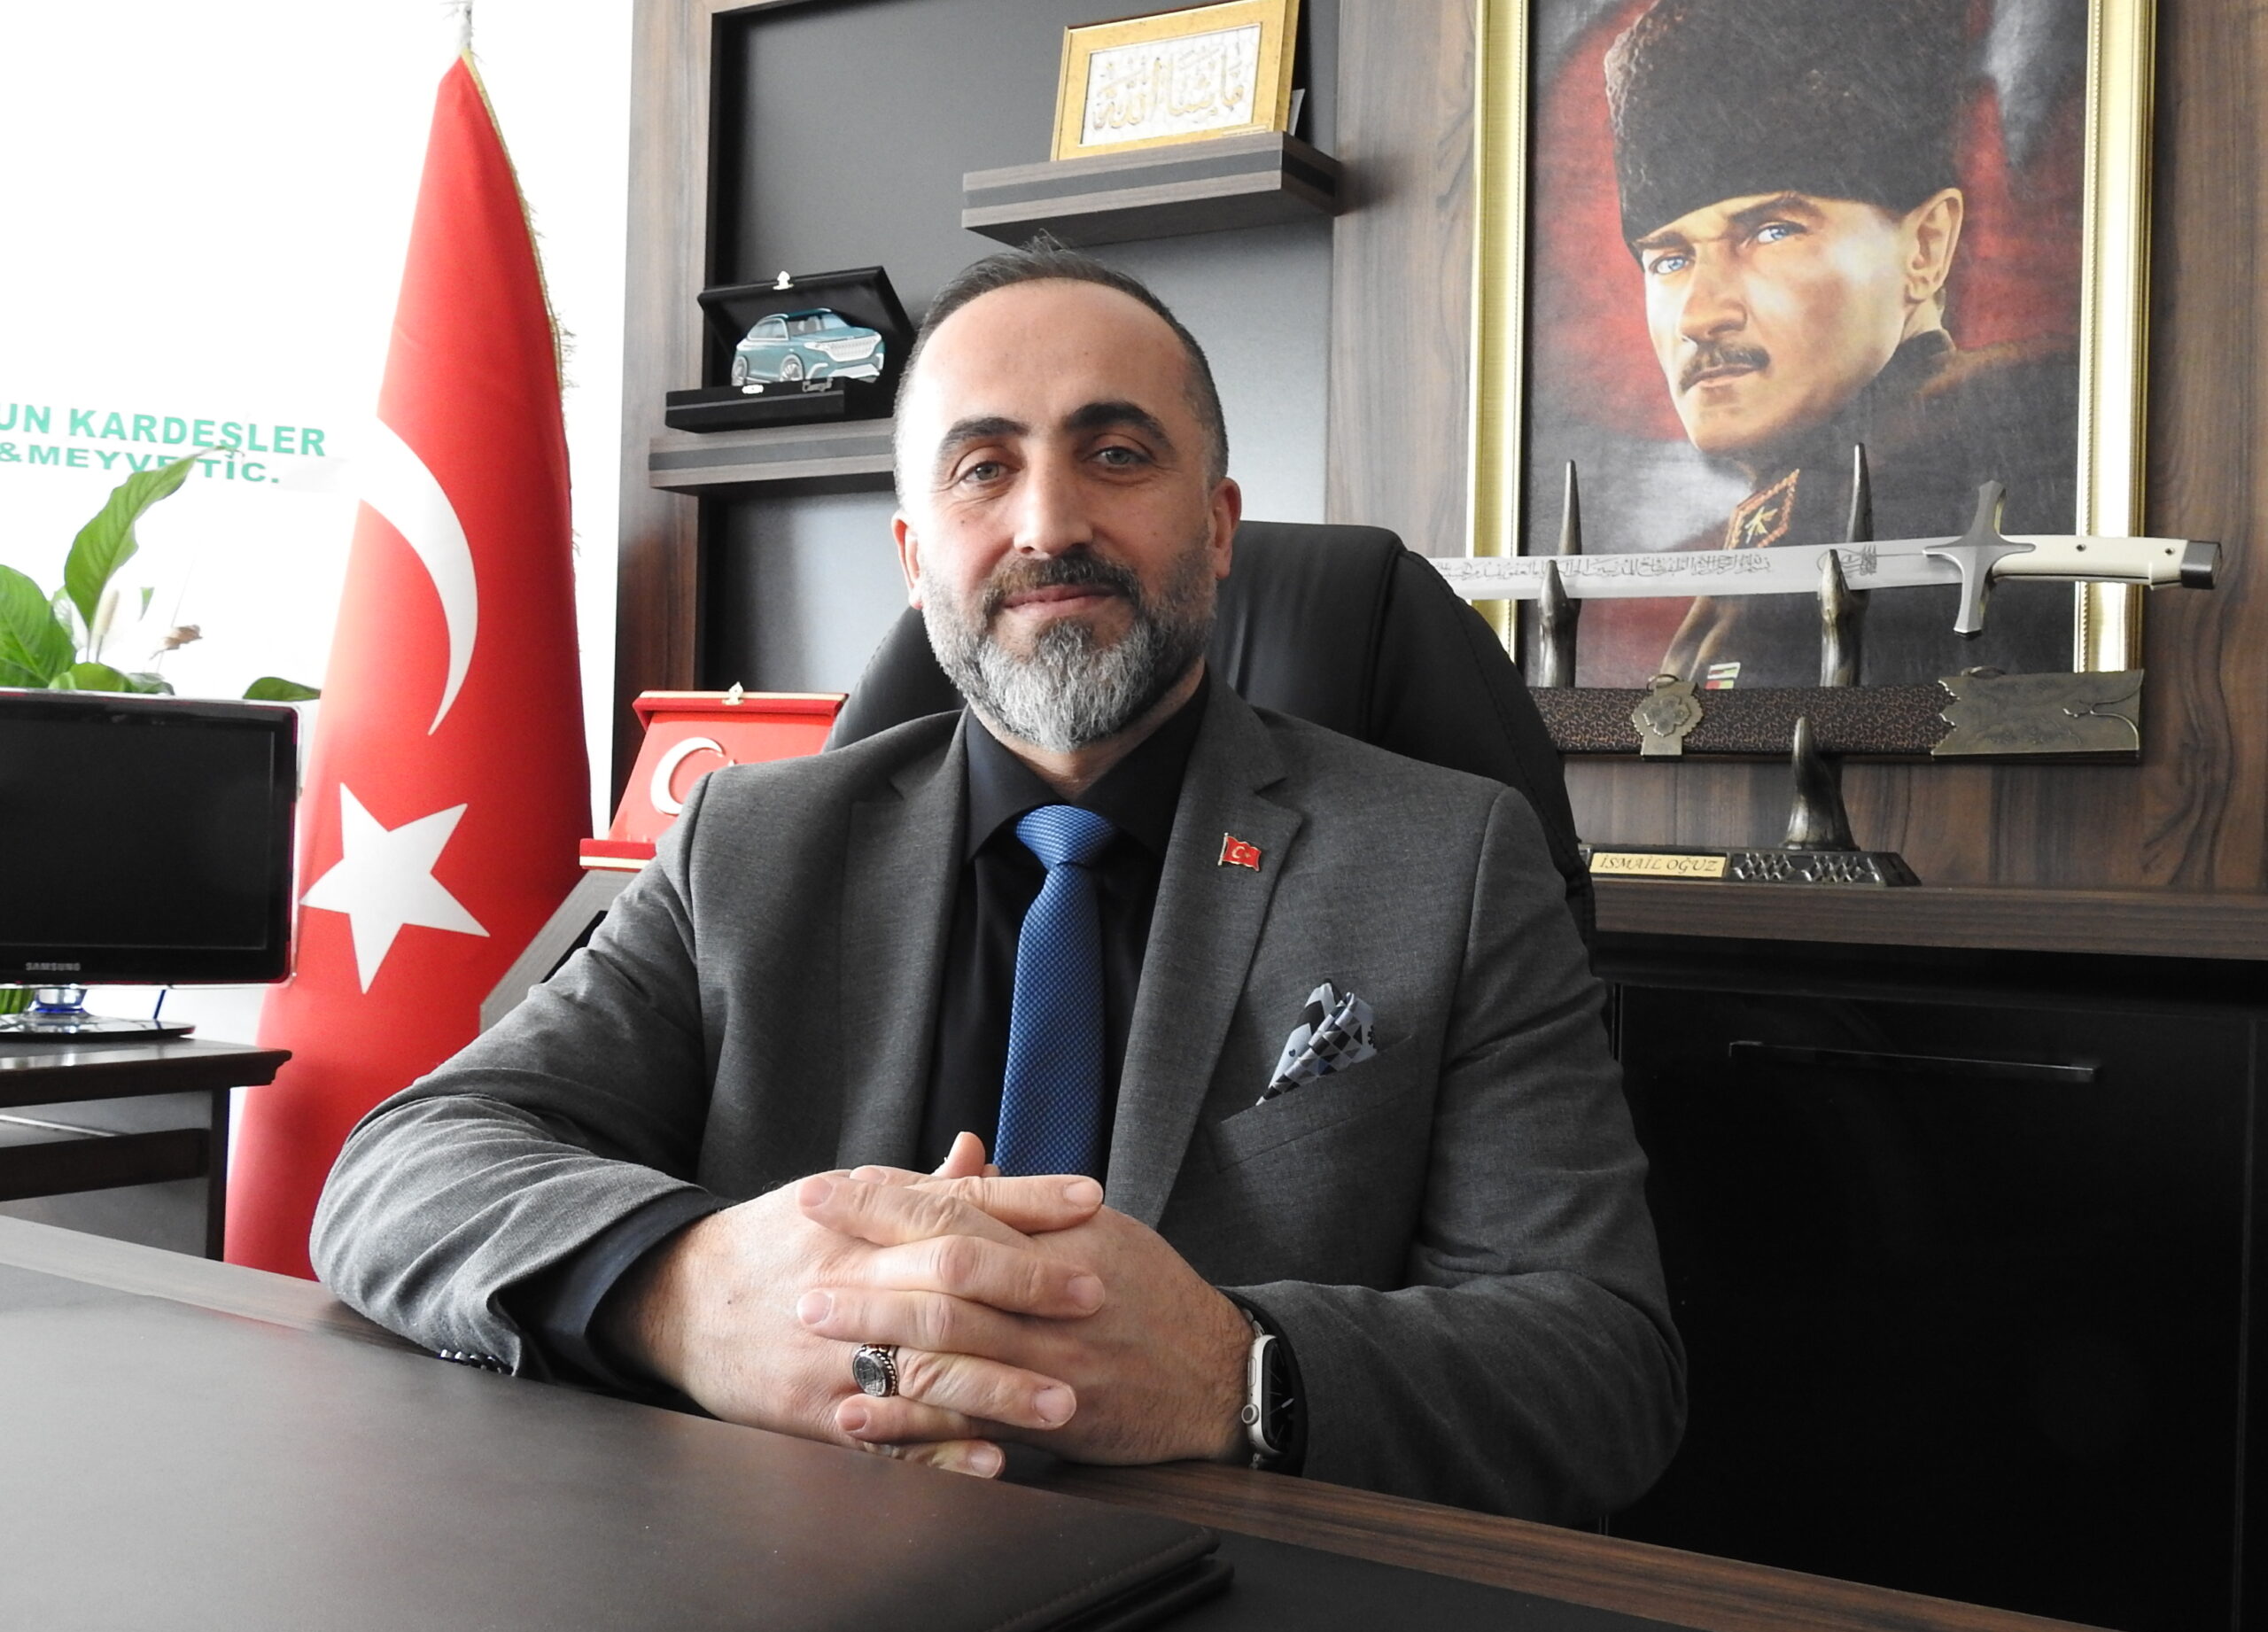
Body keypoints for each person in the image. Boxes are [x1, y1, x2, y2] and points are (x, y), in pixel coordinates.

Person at [312, 243, 1683, 1524]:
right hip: (794, 1566)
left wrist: (1237, 1368)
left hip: (1243, 1592)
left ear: (1218, 529)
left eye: (1116, 453)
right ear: (916, 559)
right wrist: (687, 1293)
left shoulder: (1451, 858)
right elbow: (403, 1169)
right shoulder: (747, 844)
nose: (1049, 522)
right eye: (983, 467)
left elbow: (1604, 1365)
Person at [1604, 0, 2080, 687]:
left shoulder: (1977, 457)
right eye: (1670, 260)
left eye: (1772, 232)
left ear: (1925, 247)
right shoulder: (1790, 504)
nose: (1700, 316)